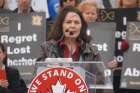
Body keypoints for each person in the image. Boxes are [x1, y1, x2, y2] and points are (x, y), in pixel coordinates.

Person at [38, 6, 105, 86]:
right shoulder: (47, 47)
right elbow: (37, 77)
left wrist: (79, 81)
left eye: (76, 22)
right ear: (61, 25)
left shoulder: (92, 51)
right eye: (68, 22)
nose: (72, 26)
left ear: (81, 26)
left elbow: (100, 80)